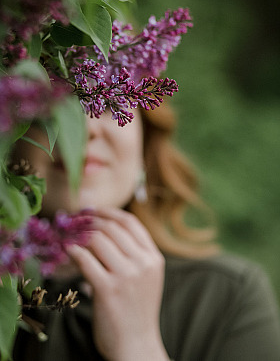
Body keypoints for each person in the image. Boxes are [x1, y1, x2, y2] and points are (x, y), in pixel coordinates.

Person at [12, 101, 280, 361]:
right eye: (52, 102)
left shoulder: (225, 298)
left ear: (144, 138)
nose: (85, 127)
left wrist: (139, 348)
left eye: (109, 101)